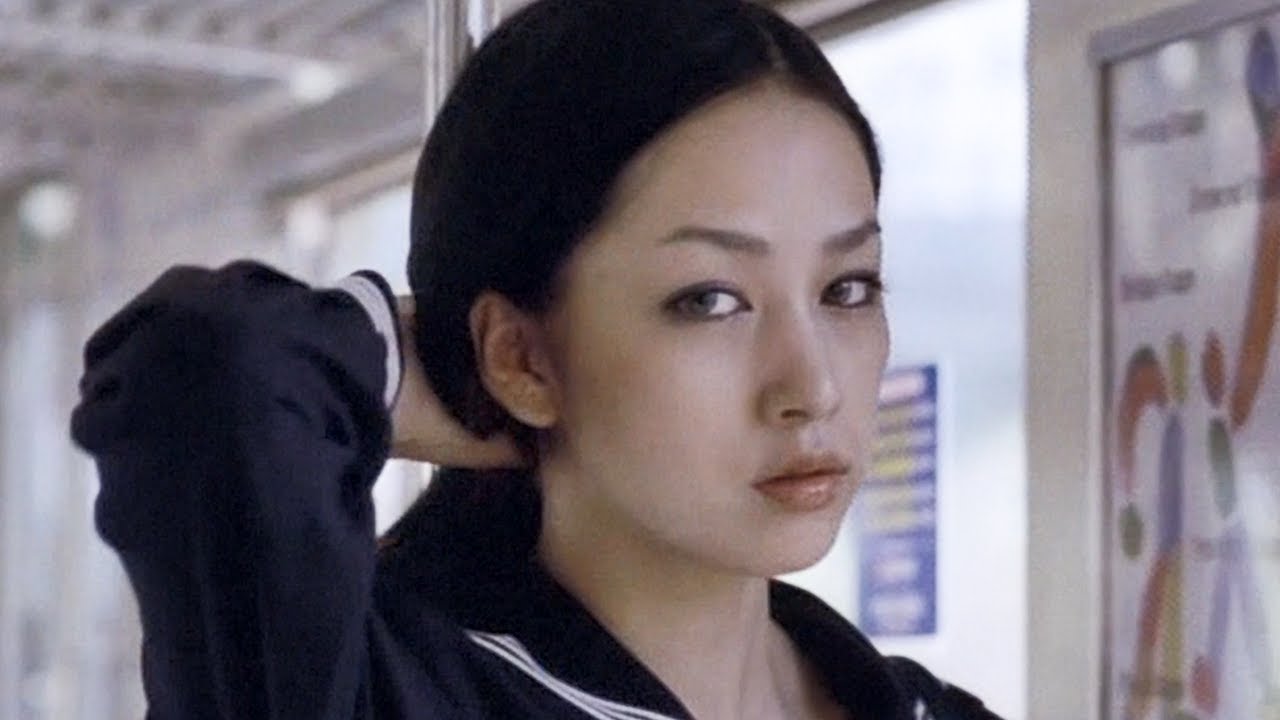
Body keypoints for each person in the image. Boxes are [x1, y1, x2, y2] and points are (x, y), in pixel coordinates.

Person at [70, 1, 1004, 718]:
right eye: (710, 301)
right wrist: (454, 373)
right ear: (520, 353)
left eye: (848, 288)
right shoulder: (374, 692)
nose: (815, 387)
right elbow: (211, 364)